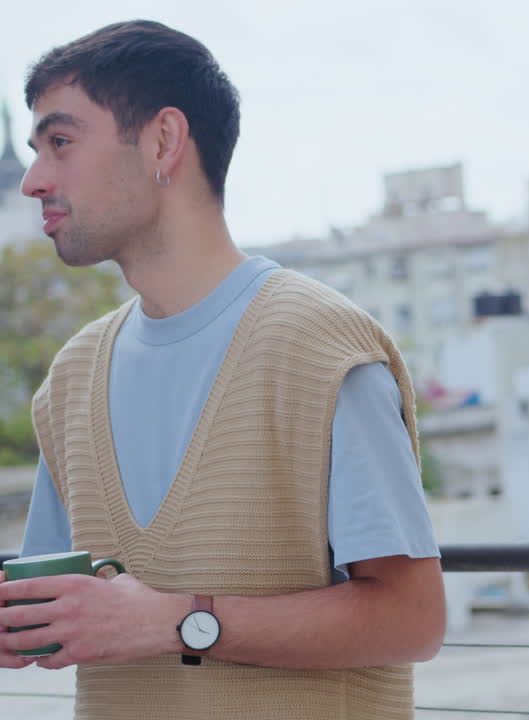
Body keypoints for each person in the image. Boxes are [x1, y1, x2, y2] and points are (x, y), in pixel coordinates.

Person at [0, 20, 445, 719]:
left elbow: (413, 619)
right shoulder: (72, 377)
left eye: (60, 142)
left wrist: (173, 621)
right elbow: (61, 617)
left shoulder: (322, 347)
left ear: (162, 141)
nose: (33, 181)